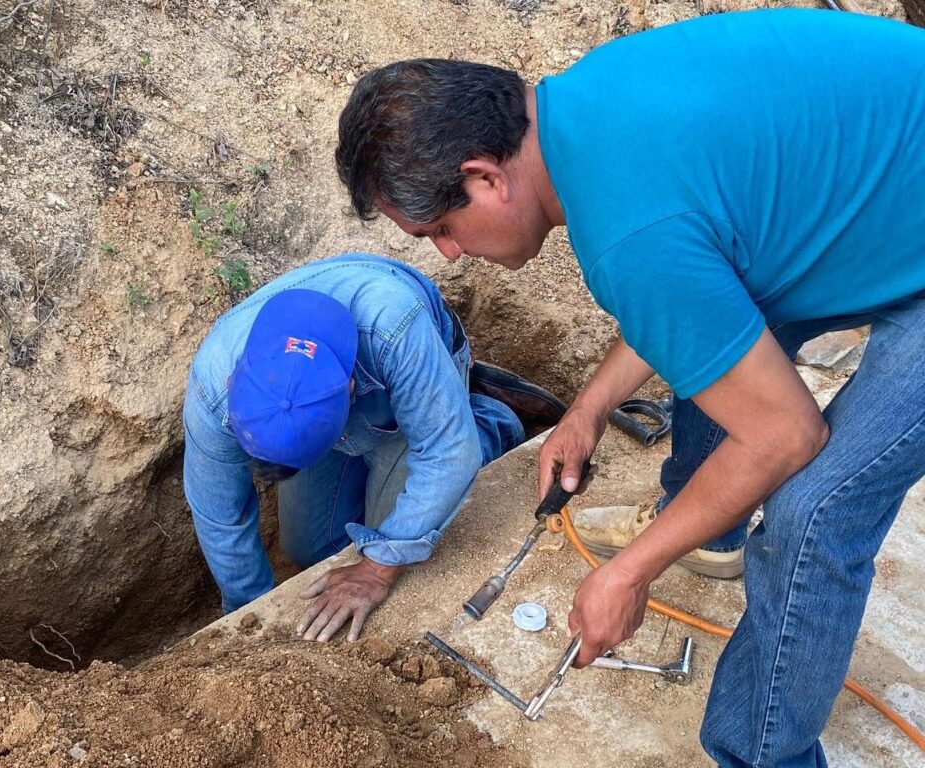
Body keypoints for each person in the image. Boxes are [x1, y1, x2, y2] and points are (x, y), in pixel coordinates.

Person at [334, 9, 925, 766]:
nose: (448, 254)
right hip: (894, 183)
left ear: (484, 177)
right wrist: (587, 409)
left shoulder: (628, 230)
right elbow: (685, 287)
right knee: (726, 330)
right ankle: (709, 532)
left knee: (814, 510)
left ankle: (764, 756)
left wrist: (630, 571)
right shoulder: (587, 103)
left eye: (439, 230)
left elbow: (787, 433)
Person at [183, 252, 565, 643]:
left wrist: (376, 570)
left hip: (403, 378)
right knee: (308, 551)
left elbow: (449, 454)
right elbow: (220, 515)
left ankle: (485, 418)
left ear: (351, 393)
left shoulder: (393, 326)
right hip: (328, 414)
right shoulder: (212, 387)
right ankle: (382, 458)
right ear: (232, 383)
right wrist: (249, 616)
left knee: (395, 540)